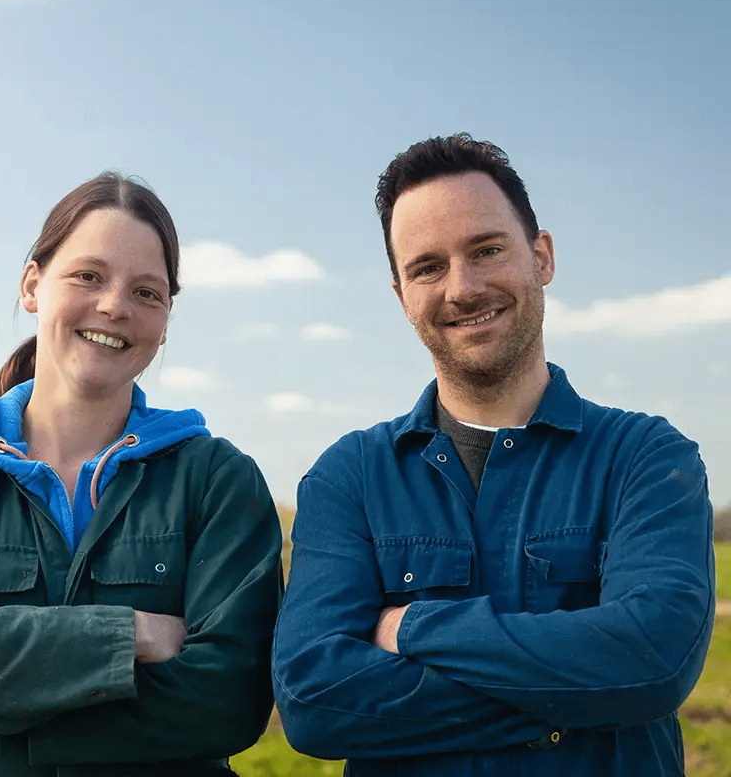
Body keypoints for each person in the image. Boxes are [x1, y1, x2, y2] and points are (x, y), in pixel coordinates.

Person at [272, 134, 716, 775]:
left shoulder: (647, 458)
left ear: (542, 257)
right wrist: (579, 696)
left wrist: (413, 628)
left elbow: (653, 660)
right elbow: (316, 703)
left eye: (486, 250)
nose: (463, 286)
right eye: (428, 267)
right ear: (400, 295)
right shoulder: (350, 478)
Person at [0, 171, 283, 777]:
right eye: (88, 276)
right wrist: (131, 635)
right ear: (33, 284)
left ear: (166, 319)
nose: (114, 306)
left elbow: (229, 703)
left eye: (147, 292)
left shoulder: (217, 482)